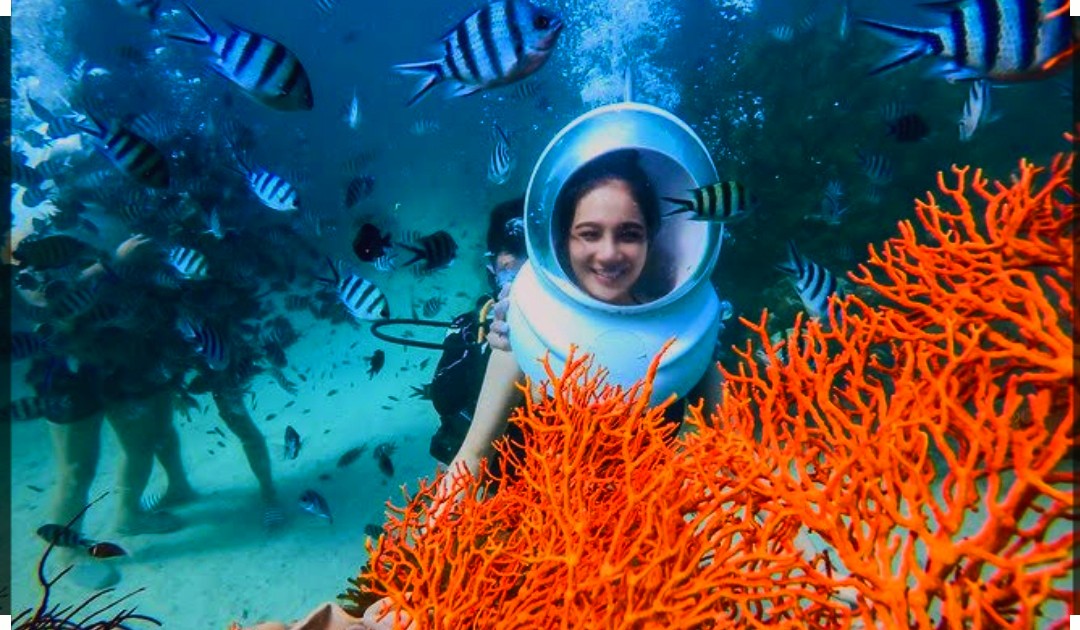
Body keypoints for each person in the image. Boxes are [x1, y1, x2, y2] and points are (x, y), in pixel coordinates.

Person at [438, 149, 723, 505]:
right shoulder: (529, 327)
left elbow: (736, 456)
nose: (608, 253)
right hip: (535, 532)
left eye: (629, 234)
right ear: (563, 240)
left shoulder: (686, 330)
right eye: (589, 234)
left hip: (650, 541)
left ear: (652, 237)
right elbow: (472, 458)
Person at [426, 197, 527, 465]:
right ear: (491, 269)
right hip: (497, 474)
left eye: (532, 258)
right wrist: (490, 354)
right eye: (510, 263)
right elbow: (444, 397)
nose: (522, 272)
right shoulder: (471, 328)